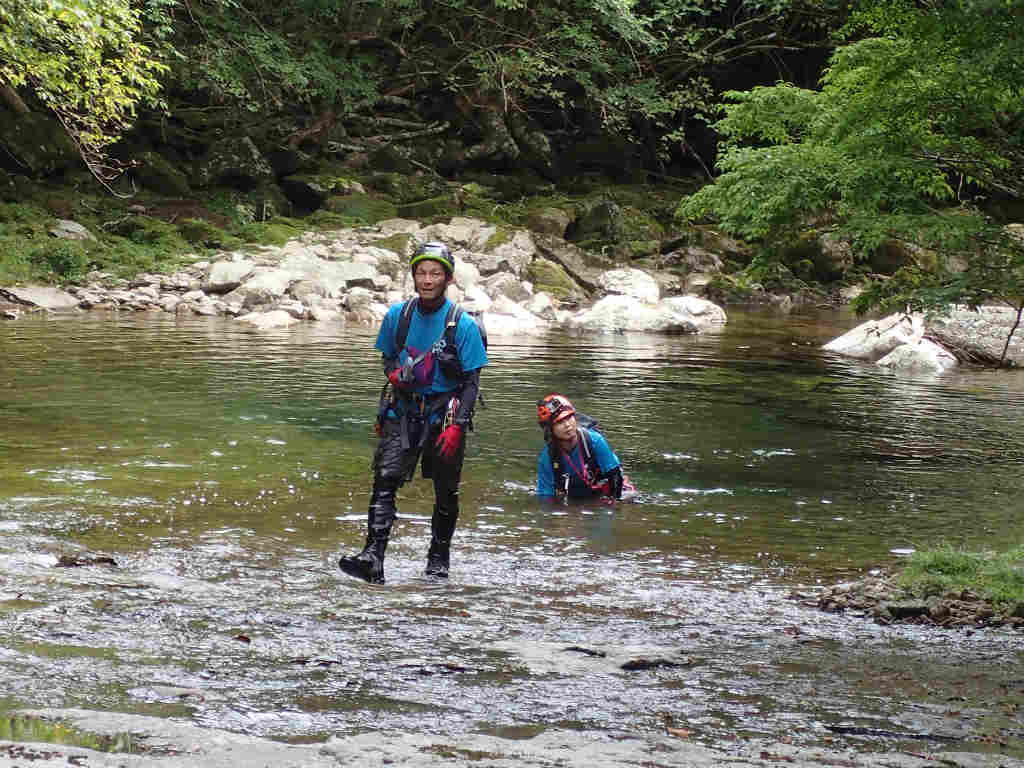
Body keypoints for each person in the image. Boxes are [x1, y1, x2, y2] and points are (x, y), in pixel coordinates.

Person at [339, 241, 488, 584]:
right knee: (384, 480)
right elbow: (388, 356)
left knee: (445, 491)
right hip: (403, 411)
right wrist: (393, 373)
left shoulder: (462, 325)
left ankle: (438, 562)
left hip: (445, 415)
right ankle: (372, 557)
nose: (427, 280)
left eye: (435, 273)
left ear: (448, 279)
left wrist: (457, 426)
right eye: (421, 273)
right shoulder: (398, 316)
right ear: (413, 276)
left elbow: (471, 382)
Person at [535, 393, 632, 502]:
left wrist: (613, 503)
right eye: (560, 422)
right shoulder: (547, 457)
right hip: (576, 492)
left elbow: (615, 476)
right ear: (550, 430)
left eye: (569, 417)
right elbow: (546, 497)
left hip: (607, 488)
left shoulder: (594, 440)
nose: (567, 425)